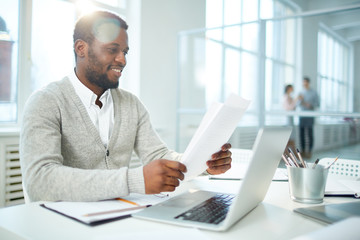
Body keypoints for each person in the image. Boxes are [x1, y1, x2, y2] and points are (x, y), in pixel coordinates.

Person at [20, 11, 232, 202]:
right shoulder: (45, 101)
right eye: (113, 50)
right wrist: (133, 180)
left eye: (125, 52)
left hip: (118, 215)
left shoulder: (131, 104)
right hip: (60, 223)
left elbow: (157, 154)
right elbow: (40, 182)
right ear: (81, 48)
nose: (122, 60)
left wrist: (203, 163)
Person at [298, 77, 320, 158]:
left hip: (310, 116)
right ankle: (303, 151)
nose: (304, 84)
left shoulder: (314, 93)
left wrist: (310, 105)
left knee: (309, 134)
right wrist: (300, 101)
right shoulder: (300, 92)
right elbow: (297, 104)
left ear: (308, 83)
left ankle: (309, 151)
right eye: (303, 82)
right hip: (302, 116)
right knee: (302, 134)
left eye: (306, 82)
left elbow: (318, 104)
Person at [282, 84, 298, 151]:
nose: (293, 89)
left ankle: (293, 152)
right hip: (287, 119)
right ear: (288, 89)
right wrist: (295, 100)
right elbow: (289, 108)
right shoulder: (285, 97)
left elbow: (294, 108)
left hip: (291, 118)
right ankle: (287, 153)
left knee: (292, 136)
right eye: (292, 88)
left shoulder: (290, 97)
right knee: (289, 137)